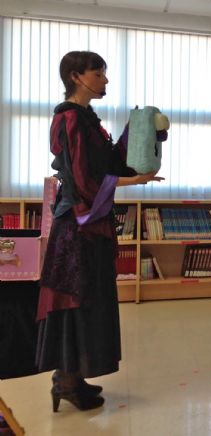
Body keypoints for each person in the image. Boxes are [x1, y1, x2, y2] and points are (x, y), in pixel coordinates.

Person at [35, 51, 164, 412]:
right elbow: (83, 180)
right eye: (99, 73)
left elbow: (110, 163)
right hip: (77, 227)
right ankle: (65, 381)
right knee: (75, 300)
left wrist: (142, 134)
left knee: (87, 301)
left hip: (91, 224)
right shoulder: (69, 119)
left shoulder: (88, 119)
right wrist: (132, 180)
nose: (105, 80)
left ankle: (73, 378)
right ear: (77, 76)